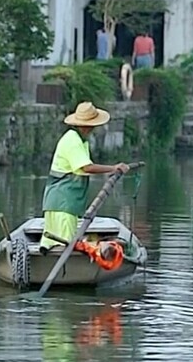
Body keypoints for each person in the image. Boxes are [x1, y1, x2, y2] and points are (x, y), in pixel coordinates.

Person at [39, 100, 130, 253]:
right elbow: (86, 167)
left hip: (62, 201)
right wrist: (113, 168)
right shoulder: (73, 141)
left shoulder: (81, 141)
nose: (93, 128)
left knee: (58, 242)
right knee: (62, 244)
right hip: (63, 203)